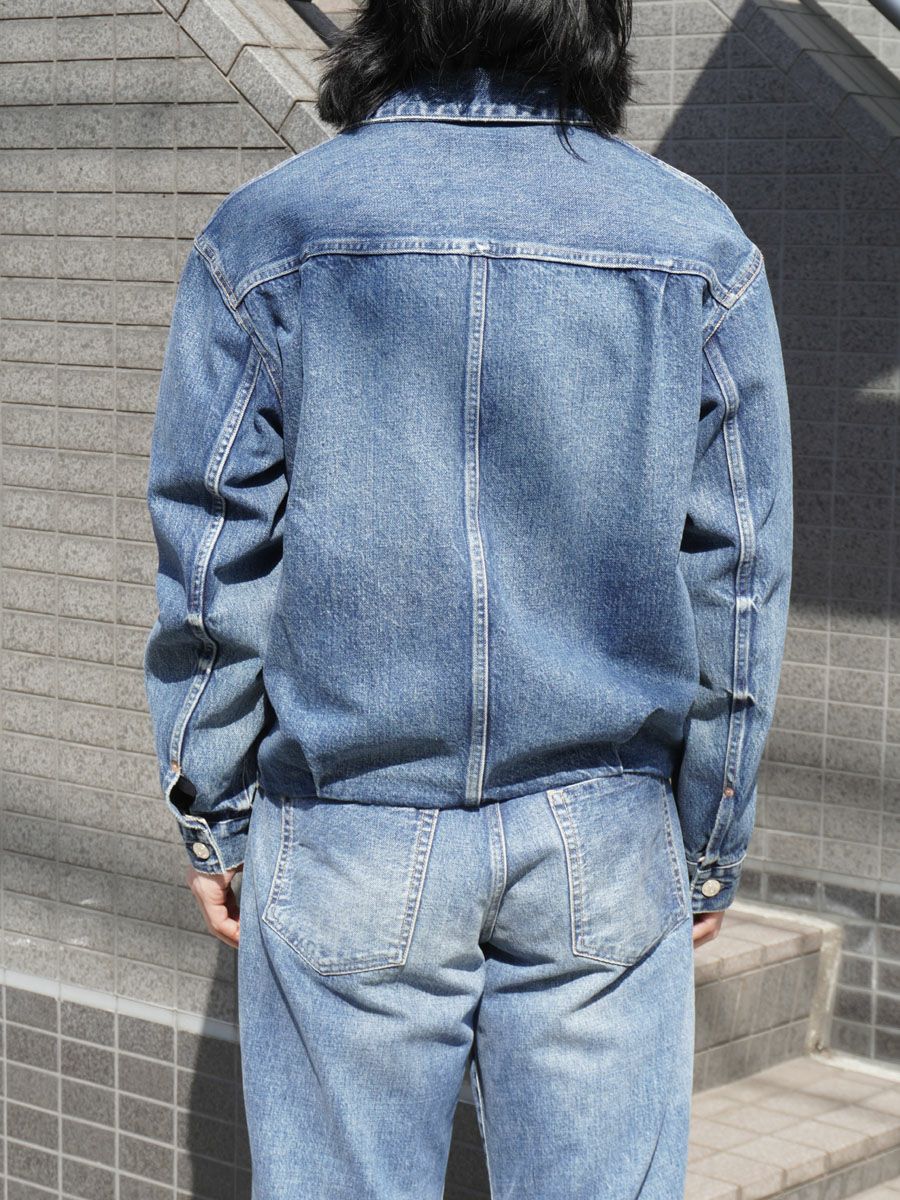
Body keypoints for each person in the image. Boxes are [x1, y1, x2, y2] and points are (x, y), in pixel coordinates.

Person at [142, 1, 794, 1196]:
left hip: (349, 823)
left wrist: (213, 808)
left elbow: (211, 558)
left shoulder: (273, 232)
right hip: (603, 834)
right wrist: (708, 838)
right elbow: (738, 580)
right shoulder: (696, 244)